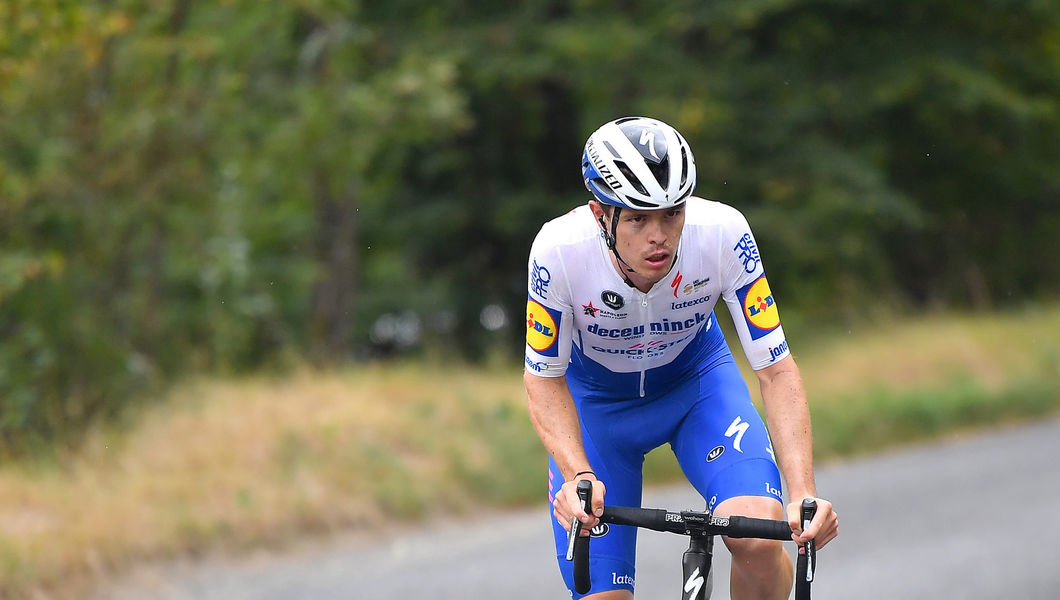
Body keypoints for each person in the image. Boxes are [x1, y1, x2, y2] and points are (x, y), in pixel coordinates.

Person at [523, 116, 838, 600]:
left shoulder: (722, 232)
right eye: (637, 218)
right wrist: (577, 475)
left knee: (756, 533)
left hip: (697, 389)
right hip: (599, 410)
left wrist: (802, 493)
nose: (659, 236)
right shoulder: (559, 251)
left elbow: (775, 369)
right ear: (599, 214)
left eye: (672, 214)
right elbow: (544, 379)